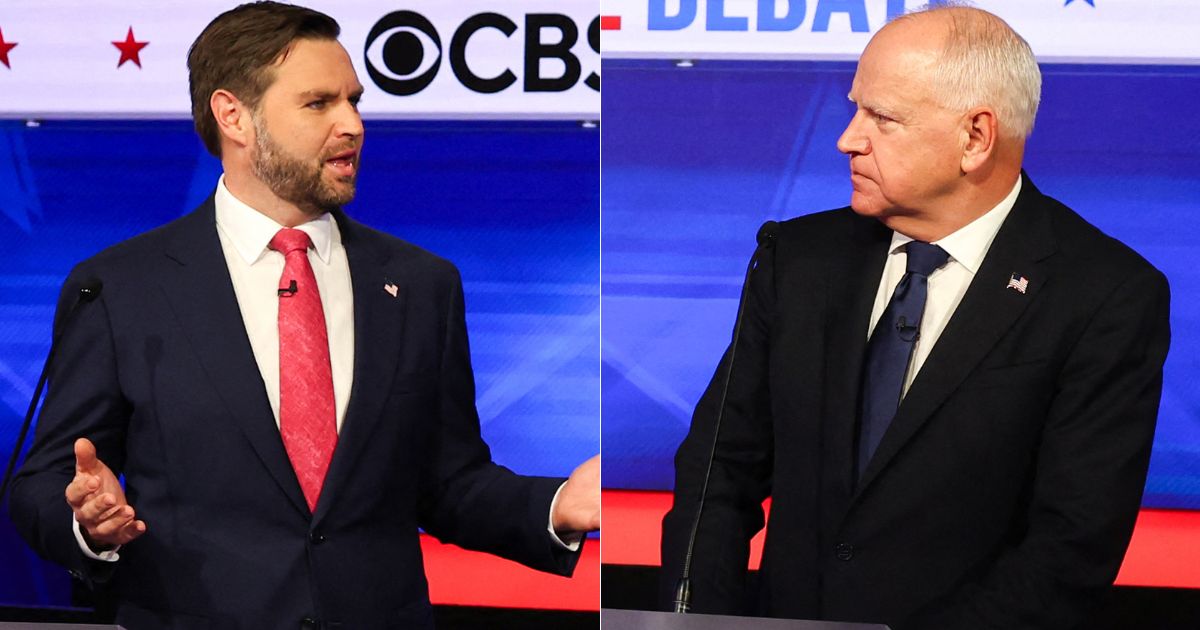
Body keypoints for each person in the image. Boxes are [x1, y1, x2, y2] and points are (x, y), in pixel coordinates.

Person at [8, 3, 599, 628]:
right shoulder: (119, 287)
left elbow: (447, 483)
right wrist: (87, 524)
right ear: (233, 115)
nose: (352, 125)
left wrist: (557, 505)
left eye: (354, 100)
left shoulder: (422, 285)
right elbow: (44, 481)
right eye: (319, 104)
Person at [661, 5, 1170, 630]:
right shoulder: (794, 260)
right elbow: (719, 471)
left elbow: (1069, 548)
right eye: (856, 108)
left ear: (975, 138)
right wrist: (698, 621)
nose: (849, 137)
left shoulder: (1105, 294)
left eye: (882, 117)